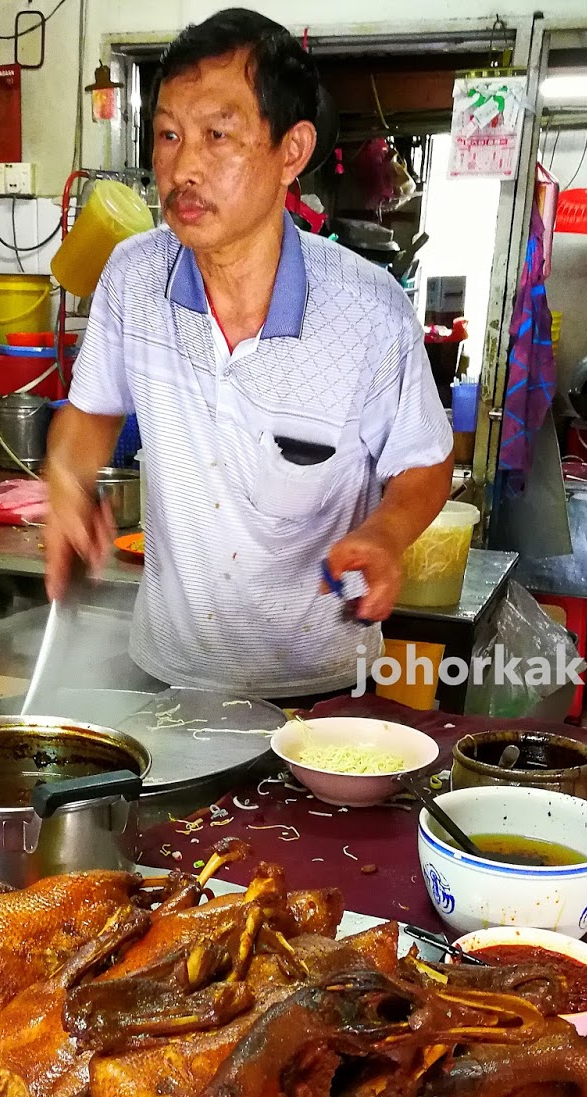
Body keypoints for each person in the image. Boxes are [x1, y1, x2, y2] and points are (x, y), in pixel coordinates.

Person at [42, 7, 454, 699]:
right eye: (169, 134)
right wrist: (67, 478)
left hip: (318, 684)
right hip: (168, 672)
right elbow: (91, 414)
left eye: (217, 135)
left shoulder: (368, 310)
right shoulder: (133, 277)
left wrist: (385, 534)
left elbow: (424, 462)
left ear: (291, 152)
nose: (183, 167)